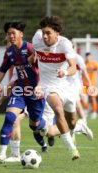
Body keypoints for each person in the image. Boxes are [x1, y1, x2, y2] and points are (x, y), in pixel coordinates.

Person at [0, 21, 48, 163]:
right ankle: (4, 154)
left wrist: (40, 85)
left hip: (36, 93)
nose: (11, 36)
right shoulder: (10, 52)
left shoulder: (30, 48)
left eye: (13, 33)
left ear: (21, 34)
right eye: (8, 33)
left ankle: (45, 127)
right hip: (20, 90)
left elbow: (44, 69)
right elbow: (2, 71)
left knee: (35, 125)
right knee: (10, 117)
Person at [31, 16, 83, 160]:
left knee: (72, 120)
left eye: (48, 33)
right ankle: (72, 149)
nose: (45, 36)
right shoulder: (37, 40)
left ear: (57, 33)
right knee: (58, 110)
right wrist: (32, 58)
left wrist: (65, 72)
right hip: (49, 86)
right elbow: (33, 52)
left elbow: (73, 67)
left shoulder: (65, 44)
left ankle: (76, 129)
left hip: (66, 85)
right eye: (43, 33)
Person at [82, 52, 98, 119]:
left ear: (91, 57)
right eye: (87, 57)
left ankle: (94, 112)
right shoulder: (83, 64)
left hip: (92, 84)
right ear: (85, 57)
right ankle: (85, 111)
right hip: (84, 84)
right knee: (84, 98)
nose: (88, 58)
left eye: (89, 56)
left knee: (93, 98)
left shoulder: (94, 64)